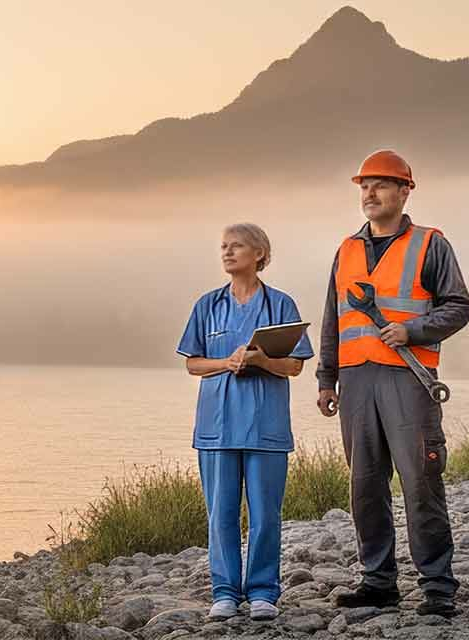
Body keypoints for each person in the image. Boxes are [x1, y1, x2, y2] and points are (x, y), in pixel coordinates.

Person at [316, 150, 469, 616]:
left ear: (405, 191)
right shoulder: (346, 250)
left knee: (421, 482)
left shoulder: (430, 244)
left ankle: (438, 587)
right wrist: (326, 378)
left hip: (409, 379)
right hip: (355, 382)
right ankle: (378, 581)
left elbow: (459, 306)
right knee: (365, 485)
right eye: (364, 185)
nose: (370, 192)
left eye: (381, 184)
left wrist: (413, 330)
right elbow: (332, 320)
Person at [177, 222, 313, 622]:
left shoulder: (281, 305)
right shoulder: (207, 305)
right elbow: (192, 364)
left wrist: (262, 361)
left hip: (265, 426)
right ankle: (224, 592)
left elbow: (294, 366)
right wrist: (228, 362)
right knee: (220, 514)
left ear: (259, 254)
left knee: (265, 514)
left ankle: (263, 591)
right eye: (224, 246)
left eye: (236, 246)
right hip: (217, 427)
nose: (227, 252)